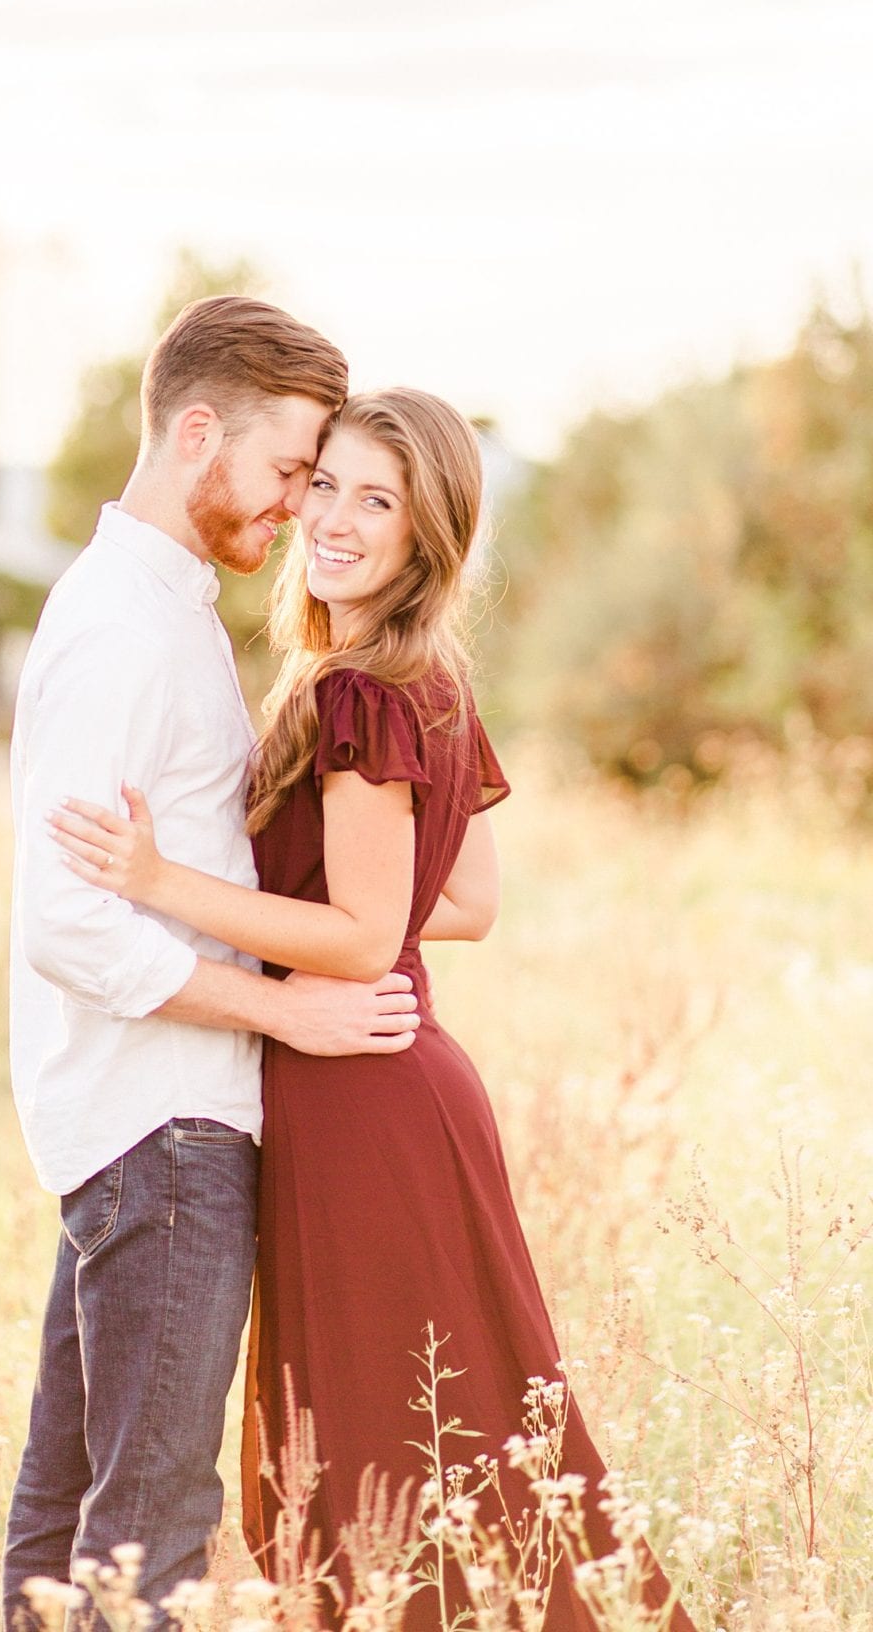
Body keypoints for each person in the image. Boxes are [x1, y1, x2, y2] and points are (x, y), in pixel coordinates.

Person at [49, 388, 696, 1631]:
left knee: (381, 1459)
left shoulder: (355, 697)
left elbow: (362, 934)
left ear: (425, 534)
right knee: (468, 1427)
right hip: (407, 1080)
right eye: (326, 484)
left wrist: (160, 881)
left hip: (357, 1096)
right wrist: (355, 925)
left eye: (376, 500)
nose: (332, 519)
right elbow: (460, 900)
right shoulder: (422, 678)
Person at [1, 299, 424, 1632]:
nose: (301, 507)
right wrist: (283, 1012)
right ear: (200, 437)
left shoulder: (165, 611)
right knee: (145, 1544)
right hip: (163, 1131)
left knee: (72, 1538)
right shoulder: (126, 627)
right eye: (293, 470)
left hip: (140, 1127)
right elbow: (68, 922)